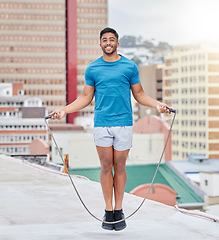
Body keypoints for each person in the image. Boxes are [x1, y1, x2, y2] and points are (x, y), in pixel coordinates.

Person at [49, 27, 172, 231]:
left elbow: (140, 95)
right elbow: (85, 98)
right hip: (102, 124)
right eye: (104, 39)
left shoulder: (129, 66)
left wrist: (157, 104)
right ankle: (108, 211)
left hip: (124, 123)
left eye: (111, 39)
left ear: (117, 43)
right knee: (106, 165)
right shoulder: (93, 68)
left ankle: (119, 209)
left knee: (120, 165)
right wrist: (63, 110)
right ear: (100, 44)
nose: (108, 42)